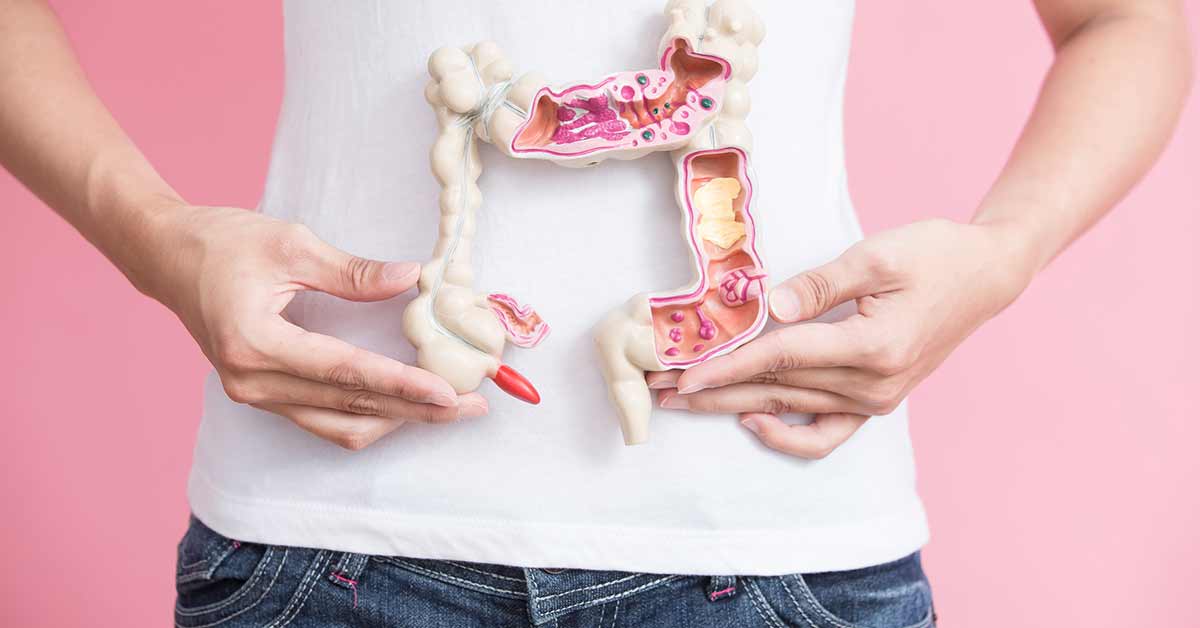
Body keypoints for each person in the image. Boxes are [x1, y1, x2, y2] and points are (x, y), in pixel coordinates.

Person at [1, 0, 1191, 626]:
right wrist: (154, 237)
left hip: (780, 547)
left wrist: (1005, 251)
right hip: (331, 548)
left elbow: (1126, 17)